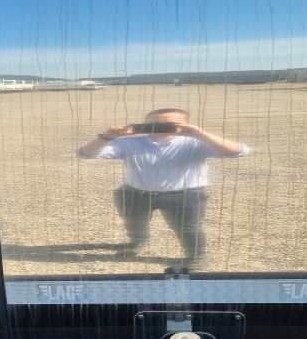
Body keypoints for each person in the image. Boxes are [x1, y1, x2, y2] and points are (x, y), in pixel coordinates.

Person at [77, 108, 250, 269]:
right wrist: (106, 137)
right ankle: (138, 241)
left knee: (188, 228)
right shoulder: (130, 142)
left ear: (187, 125)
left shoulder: (196, 142)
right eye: (154, 124)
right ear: (144, 125)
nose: (161, 127)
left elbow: (240, 151)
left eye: (169, 124)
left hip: (185, 195)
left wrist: (200, 133)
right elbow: (85, 154)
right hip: (134, 192)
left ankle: (197, 256)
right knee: (134, 221)